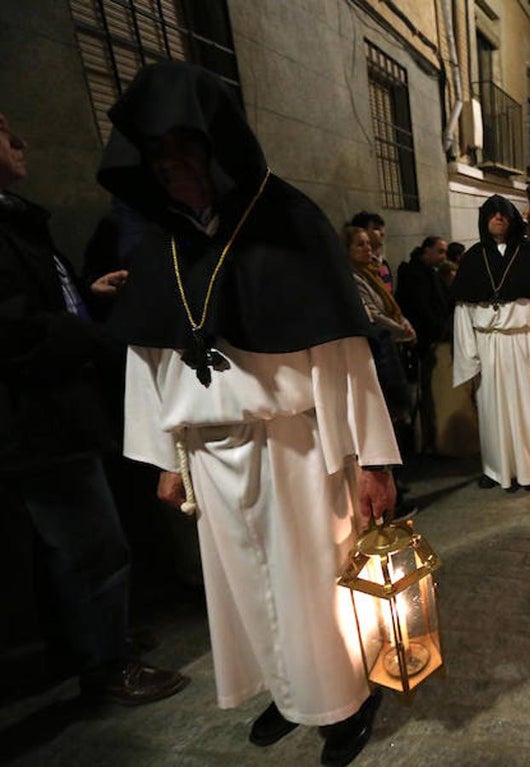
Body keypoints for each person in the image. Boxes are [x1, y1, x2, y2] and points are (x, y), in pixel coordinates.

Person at [96, 62, 399, 765]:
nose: (175, 170)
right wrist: (166, 461)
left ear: (218, 147)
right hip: (207, 456)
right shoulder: (160, 243)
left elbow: (344, 356)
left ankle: (346, 701)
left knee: (314, 585)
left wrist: (373, 459)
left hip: (294, 448)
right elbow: (151, 361)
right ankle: (288, 688)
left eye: (187, 151)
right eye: (160, 157)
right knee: (246, 593)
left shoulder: (289, 221)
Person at [0, 111, 189, 706]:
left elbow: (42, 302)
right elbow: (18, 331)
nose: (22, 140)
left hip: (63, 415)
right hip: (38, 424)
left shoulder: (16, 219)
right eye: (6, 132)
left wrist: (86, 295)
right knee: (93, 547)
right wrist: (103, 336)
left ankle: (96, 641)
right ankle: (107, 669)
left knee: (83, 547)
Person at [452, 195, 530, 492]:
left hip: (525, 343)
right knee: (491, 411)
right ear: (484, 219)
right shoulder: (473, 257)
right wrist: (468, 356)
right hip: (488, 343)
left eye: (504, 213)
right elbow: (463, 311)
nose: (498, 217)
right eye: (492, 213)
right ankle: (496, 469)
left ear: (512, 218)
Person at [344, 225, 417, 464]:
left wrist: (404, 323)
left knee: (398, 412)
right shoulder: (352, 277)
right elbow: (373, 314)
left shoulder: (372, 272)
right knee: (387, 413)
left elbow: (390, 305)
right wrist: (403, 330)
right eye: (360, 244)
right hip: (376, 351)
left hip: (390, 345)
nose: (367, 248)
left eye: (368, 243)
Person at [396, 236, 452, 454]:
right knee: (426, 391)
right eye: (439, 251)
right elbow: (421, 309)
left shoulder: (431, 273)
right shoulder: (414, 274)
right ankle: (426, 440)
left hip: (434, 337)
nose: (442, 257)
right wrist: (438, 329)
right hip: (424, 341)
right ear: (426, 250)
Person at [349, 210, 394, 294]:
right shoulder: (358, 269)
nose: (382, 233)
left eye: (382, 229)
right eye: (376, 229)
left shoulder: (382, 263)